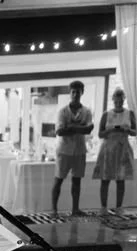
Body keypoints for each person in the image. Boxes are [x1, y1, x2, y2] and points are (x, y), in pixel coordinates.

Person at [51, 80, 94, 216]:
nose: (75, 95)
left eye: (78, 92)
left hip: (79, 150)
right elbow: (59, 131)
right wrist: (80, 128)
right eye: (73, 92)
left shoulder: (87, 111)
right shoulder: (63, 111)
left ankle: (75, 209)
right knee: (58, 179)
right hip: (64, 150)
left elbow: (89, 129)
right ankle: (54, 210)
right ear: (70, 93)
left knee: (77, 180)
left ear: (82, 93)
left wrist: (71, 127)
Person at [91, 88, 137, 212]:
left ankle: (119, 207)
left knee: (120, 179)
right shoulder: (106, 114)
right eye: (116, 101)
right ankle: (103, 207)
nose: (118, 104)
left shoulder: (129, 113)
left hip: (122, 148)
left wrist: (127, 130)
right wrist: (110, 130)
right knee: (105, 179)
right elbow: (100, 134)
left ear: (123, 100)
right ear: (113, 100)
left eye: (120, 101)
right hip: (108, 148)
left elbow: (135, 132)